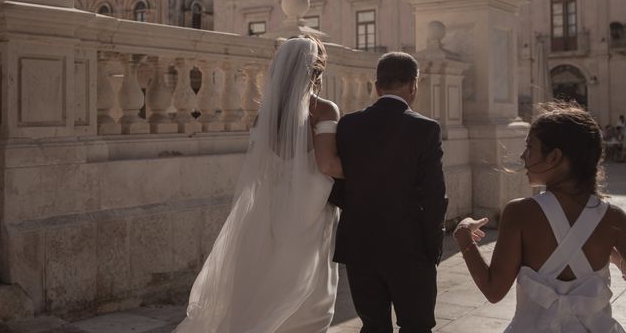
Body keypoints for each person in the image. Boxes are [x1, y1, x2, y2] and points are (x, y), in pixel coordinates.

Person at [174, 36, 344, 333]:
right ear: (316, 71)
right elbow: (327, 164)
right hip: (310, 212)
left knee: (266, 282)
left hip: (270, 207)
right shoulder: (324, 111)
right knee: (309, 293)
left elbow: (261, 170)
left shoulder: (264, 117)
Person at [454, 102, 626, 332]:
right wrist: (615, 259)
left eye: (530, 147)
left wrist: (464, 237)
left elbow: (493, 290)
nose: (523, 156)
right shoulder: (613, 218)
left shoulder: (520, 213)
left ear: (554, 156)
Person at [331, 52, 448, 333]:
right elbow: (434, 196)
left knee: (373, 326)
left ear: (376, 85)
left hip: (360, 246)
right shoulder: (426, 129)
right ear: (413, 85)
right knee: (416, 326)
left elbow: (336, 189)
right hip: (410, 246)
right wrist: (433, 247)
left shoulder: (348, 124)